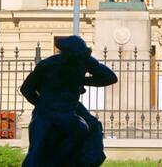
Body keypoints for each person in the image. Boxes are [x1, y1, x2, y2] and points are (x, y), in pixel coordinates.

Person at [20, 35, 118, 167]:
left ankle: (82, 161)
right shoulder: (49, 64)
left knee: (91, 127)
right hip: (50, 112)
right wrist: (44, 105)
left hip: (66, 109)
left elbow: (110, 77)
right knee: (38, 149)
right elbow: (26, 89)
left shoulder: (82, 61)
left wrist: (81, 80)